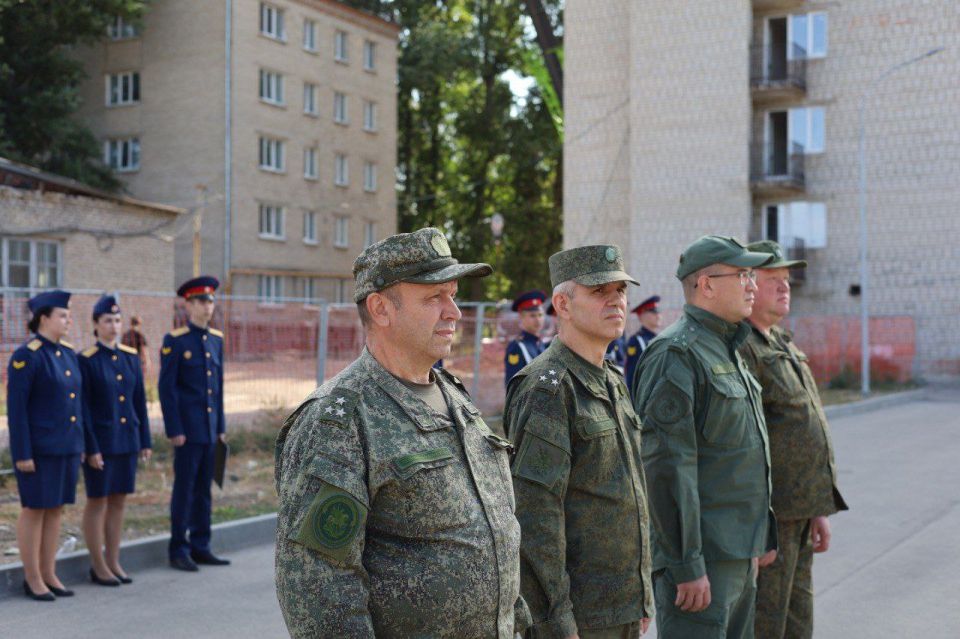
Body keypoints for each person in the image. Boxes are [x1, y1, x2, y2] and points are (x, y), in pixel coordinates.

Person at [275, 227, 529, 638]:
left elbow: (495, 531)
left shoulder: (454, 397)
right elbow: (319, 589)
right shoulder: (339, 422)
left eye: (453, 295)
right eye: (434, 298)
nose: (454, 312)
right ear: (380, 309)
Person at [632, 236, 777, 638]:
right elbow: (668, 468)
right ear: (707, 285)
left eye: (752, 274)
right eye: (743, 274)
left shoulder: (725, 347)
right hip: (702, 565)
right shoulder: (676, 355)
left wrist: (761, 535)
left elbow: (740, 455)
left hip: (737, 553)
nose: (752, 284)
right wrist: (686, 564)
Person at [506, 244, 653, 638]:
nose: (616, 301)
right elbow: (535, 515)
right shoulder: (548, 389)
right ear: (563, 305)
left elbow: (628, 492)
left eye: (620, 290)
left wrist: (641, 593)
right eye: (599, 291)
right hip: (580, 618)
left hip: (621, 606)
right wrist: (557, 621)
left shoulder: (613, 379)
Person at [738, 241, 849, 639]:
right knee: (766, 623)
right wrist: (756, 527)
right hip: (773, 518)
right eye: (774, 280)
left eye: (787, 280)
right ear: (748, 284)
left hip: (800, 511)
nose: (785, 287)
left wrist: (819, 507)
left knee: (798, 621)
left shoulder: (782, 342)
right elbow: (746, 446)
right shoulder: (743, 348)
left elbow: (804, 425)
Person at [6, 290, 83, 601]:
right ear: (43, 319)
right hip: (39, 450)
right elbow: (17, 410)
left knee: (55, 510)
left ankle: (50, 572)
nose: (68, 320)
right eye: (62, 315)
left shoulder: (67, 353)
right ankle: (33, 577)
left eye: (68, 315)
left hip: (66, 446)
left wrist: (83, 445)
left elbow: (78, 406)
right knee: (34, 509)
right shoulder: (27, 356)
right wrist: (22, 453)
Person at [79, 295, 153, 586]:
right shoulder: (86, 360)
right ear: (96, 325)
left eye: (117, 320)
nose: (113, 325)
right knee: (97, 501)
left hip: (127, 439)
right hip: (101, 443)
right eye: (107, 320)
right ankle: (97, 565)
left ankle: (113, 561)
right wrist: (91, 447)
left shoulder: (130, 357)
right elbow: (83, 410)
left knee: (119, 501)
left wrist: (145, 440)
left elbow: (139, 403)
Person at [158, 276, 229, 571]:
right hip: (187, 432)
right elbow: (167, 388)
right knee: (184, 490)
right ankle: (179, 548)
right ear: (187, 305)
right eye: (201, 301)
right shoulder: (175, 341)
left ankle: (201, 545)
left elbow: (219, 388)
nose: (207, 306)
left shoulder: (216, 339)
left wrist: (221, 426)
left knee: (204, 490)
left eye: (210, 300)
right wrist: (174, 428)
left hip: (210, 429)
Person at [504, 289, 548, 386]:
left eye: (540, 315)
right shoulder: (517, 347)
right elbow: (513, 386)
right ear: (521, 317)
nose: (538, 320)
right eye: (532, 316)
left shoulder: (541, 344)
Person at [624, 295, 661, 392]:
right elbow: (632, 375)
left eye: (658, 311)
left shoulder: (659, 339)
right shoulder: (636, 340)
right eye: (654, 312)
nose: (658, 315)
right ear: (642, 315)